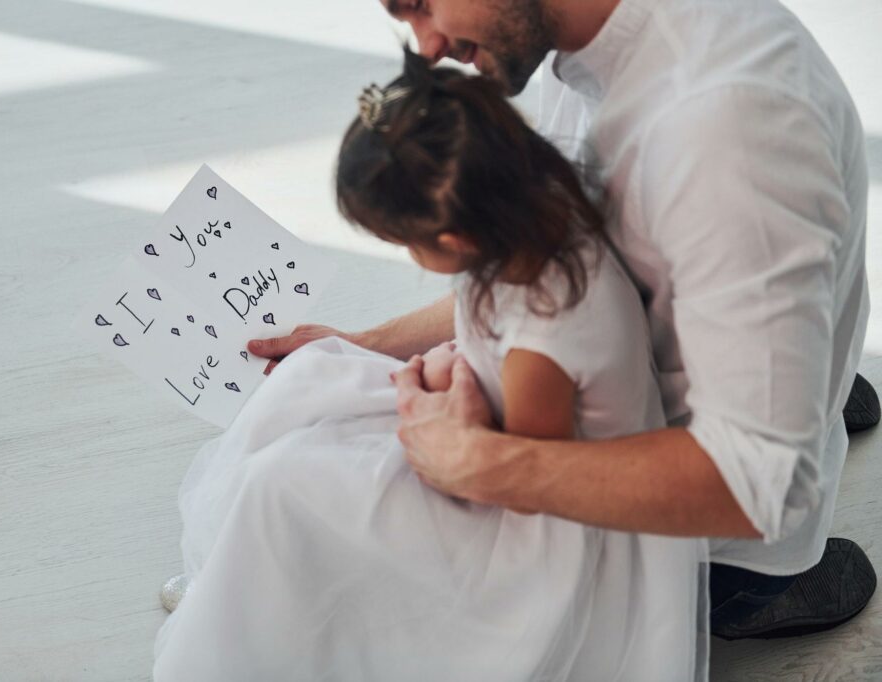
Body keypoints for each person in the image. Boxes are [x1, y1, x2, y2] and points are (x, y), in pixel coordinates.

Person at [249, 0, 877, 639]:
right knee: (321, 413)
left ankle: (764, 587)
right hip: (657, 351)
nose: (428, 46)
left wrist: (476, 462)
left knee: (303, 497)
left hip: (721, 520)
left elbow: (764, 483)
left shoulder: (726, 135)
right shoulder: (562, 32)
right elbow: (531, 255)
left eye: (421, 3)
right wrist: (368, 344)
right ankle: (774, 362)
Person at [154, 51, 708, 680]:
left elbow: (526, 480)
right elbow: (484, 324)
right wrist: (405, 357)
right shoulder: (531, 212)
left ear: (455, 242)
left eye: (405, 243)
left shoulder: (546, 337)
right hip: (482, 409)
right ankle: (239, 584)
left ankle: (254, 616)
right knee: (314, 379)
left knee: (283, 486)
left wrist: (443, 403)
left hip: (529, 518)